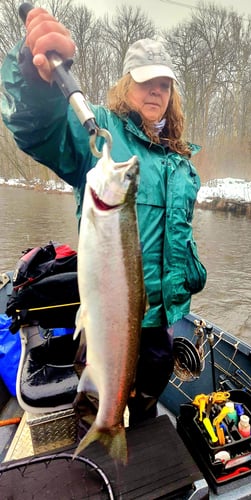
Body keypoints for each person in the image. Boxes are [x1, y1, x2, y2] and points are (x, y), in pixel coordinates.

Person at [0, 8, 206, 426]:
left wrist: (193, 271)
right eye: (147, 80)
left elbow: (180, 234)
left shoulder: (183, 162)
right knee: (96, 398)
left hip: (163, 318)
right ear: (127, 83)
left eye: (164, 83)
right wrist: (35, 77)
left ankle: (140, 447)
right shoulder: (99, 131)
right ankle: (99, 445)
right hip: (109, 314)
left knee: (148, 397)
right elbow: (38, 129)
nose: (156, 90)